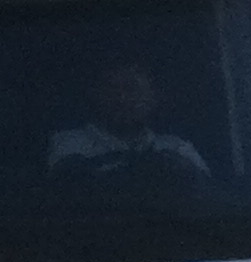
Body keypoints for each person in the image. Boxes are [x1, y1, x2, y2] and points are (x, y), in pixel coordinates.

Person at [47, 62, 210, 184]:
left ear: (153, 99)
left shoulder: (178, 148)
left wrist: (181, 170)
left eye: (132, 89)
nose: (122, 99)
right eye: (111, 89)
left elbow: (208, 193)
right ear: (96, 96)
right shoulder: (69, 144)